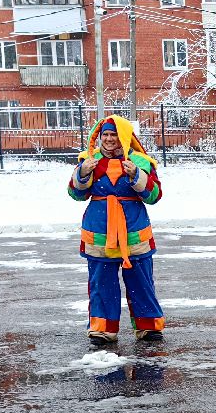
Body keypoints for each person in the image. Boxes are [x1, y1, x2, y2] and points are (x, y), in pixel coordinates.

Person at [68, 116, 165, 345]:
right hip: (99, 233)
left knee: (141, 282)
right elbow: (75, 194)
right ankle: (102, 329)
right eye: (105, 135)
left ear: (124, 137)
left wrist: (136, 176)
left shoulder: (141, 163)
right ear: (99, 137)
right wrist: (82, 174)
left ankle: (148, 326)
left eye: (114, 135)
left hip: (134, 233)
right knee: (102, 283)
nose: (109, 139)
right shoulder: (88, 161)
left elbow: (154, 196)